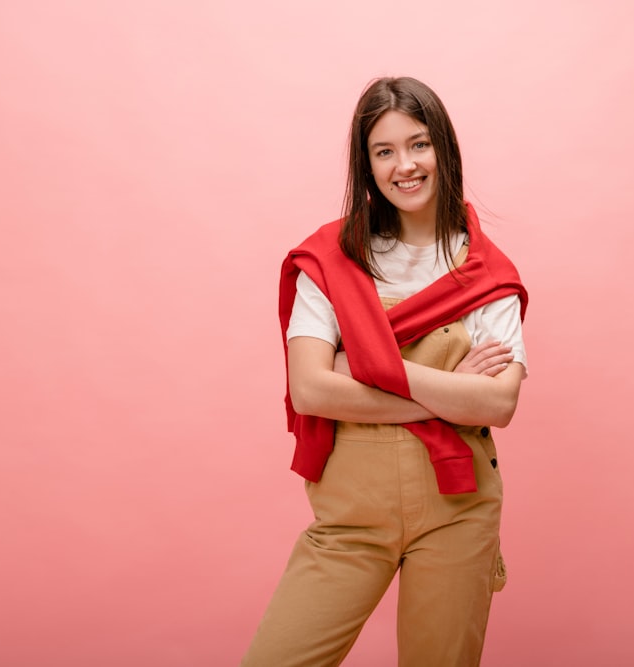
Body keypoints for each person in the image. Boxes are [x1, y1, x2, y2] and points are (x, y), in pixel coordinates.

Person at [241, 76, 529, 667]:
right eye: (384, 150)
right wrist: (451, 396)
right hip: (352, 513)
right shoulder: (331, 259)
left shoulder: (486, 271)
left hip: (458, 511)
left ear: (443, 149)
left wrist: (366, 368)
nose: (406, 165)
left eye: (419, 144)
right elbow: (312, 388)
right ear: (365, 164)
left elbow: (497, 405)